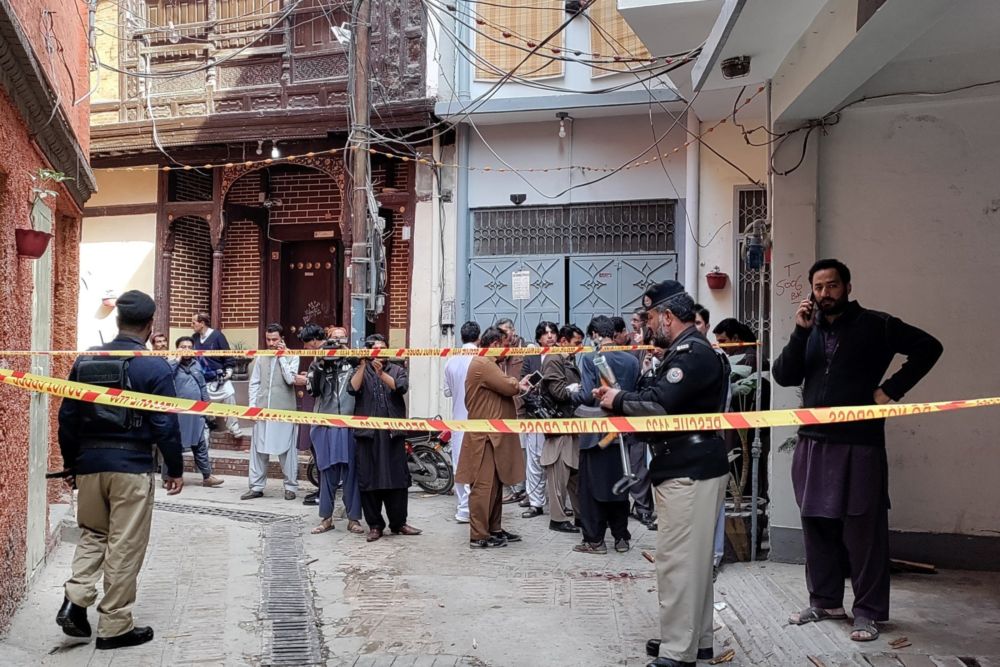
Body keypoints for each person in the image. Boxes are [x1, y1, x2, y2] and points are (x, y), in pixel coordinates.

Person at [774, 259, 942, 643]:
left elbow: (929, 347)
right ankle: (825, 601)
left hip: (859, 443)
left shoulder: (876, 325)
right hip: (813, 441)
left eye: (832, 286)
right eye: (818, 287)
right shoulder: (809, 330)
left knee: (863, 529)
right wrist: (800, 333)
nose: (824, 294)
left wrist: (891, 390)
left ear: (847, 286)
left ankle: (868, 612)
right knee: (816, 524)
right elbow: (783, 375)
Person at [596, 280, 731, 667]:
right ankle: (695, 641)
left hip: (689, 468)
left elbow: (659, 405)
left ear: (667, 316)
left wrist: (618, 399)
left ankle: (678, 652)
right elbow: (651, 397)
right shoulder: (683, 352)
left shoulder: (692, 355)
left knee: (677, 561)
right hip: (689, 465)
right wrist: (618, 399)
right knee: (694, 561)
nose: (646, 324)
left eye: (650, 316)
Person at [55, 290, 184, 650]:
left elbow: (67, 418)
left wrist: (71, 464)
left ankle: (75, 602)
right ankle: (114, 626)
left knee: (93, 535)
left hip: (90, 465)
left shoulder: (85, 361)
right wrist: (174, 468)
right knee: (125, 545)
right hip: (131, 467)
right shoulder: (154, 366)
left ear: (117, 321)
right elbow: (165, 425)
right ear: (149, 325)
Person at [457, 326, 531, 548]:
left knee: (496, 486)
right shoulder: (483, 363)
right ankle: (479, 535)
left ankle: (494, 528)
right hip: (484, 437)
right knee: (483, 486)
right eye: (506, 345)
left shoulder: (491, 364)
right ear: (496, 344)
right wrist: (519, 385)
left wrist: (517, 385)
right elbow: (508, 387)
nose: (508, 350)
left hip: (495, 436)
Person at [574, 316, 640, 554]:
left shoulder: (592, 359)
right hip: (621, 432)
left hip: (596, 433)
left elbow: (588, 396)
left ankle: (595, 540)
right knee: (619, 486)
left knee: (592, 490)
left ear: (594, 335)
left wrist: (571, 395)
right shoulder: (633, 360)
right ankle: (621, 537)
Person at [349, 334, 421, 542]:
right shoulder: (361, 371)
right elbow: (352, 389)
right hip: (368, 435)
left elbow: (401, 388)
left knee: (397, 479)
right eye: (376, 349)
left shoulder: (397, 370)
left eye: (384, 348)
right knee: (369, 480)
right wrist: (363, 365)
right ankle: (374, 525)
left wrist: (381, 374)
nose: (381, 353)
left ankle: (399, 523)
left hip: (392, 434)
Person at [302, 324, 364, 535]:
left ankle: (353, 518)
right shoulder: (318, 363)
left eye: (342, 339)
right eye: (333, 340)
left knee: (351, 473)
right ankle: (326, 518)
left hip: (348, 424)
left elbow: (359, 389)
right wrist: (319, 364)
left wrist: (357, 363)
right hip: (325, 424)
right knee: (327, 473)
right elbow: (313, 390)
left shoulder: (353, 363)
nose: (337, 344)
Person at [242, 324, 303, 500]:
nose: (271, 343)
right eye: (268, 339)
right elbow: (254, 383)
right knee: (258, 450)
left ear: (282, 338)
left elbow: (290, 379)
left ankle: (291, 486)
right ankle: (256, 486)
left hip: (283, 410)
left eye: (274, 339)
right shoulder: (261, 356)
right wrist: (253, 407)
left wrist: (282, 357)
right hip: (262, 409)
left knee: (287, 450)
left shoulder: (293, 355)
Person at [540, 324, 584, 535]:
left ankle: (581, 515)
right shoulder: (554, 358)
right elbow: (557, 391)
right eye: (577, 343)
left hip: (571, 423)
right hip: (559, 424)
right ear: (564, 341)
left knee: (574, 472)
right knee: (559, 471)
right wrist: (575, 390)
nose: (581, 347)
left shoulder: (566, 358)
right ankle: (557, 518)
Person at [163, 336, 223, 488]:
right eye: (183, 347)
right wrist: (176, 360)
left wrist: (207, 405)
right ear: (177, 349)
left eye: (189, 347)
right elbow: (166, 377)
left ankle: (207, 477)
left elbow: (202, 386)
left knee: (200, 445)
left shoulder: (197, 365)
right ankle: (167, 478)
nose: (186, 350)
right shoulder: (169, 364)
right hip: (178, 414)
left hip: (196, 414)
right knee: (174, 446)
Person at [518, 321, 557, 519]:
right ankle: (535, 503)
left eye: (552, 333)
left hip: (558, 415)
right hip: (535, 414)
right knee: (534, 459)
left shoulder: (563, 355)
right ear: (539, 338)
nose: (549, 336)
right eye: (545, 333)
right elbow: (523, 383)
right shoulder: (532, 357)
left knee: (557, 461)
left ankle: (559, 503)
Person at [443, 320, 480, 523]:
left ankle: (463, 507)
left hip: (458, 420)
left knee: (460, 463)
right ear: (479, 337)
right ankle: (475, 508)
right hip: (480, 420)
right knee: (477, 463)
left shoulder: (450, 361)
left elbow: (447, 391)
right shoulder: (482, 359)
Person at [191, 313, 242, 439]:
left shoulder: (218, 336)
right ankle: (208, 423)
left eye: (194, 322)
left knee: (229, 393)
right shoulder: (194, 338)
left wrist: (228, 371)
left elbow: (227, 355)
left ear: (202, 323)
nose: (191, 325)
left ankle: (233, 426)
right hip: (202, 379)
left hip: (219, 378)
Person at [495, 317, 527, 505]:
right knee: (506, 449)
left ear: (513, 331)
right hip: (503, 409)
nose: (503, 337)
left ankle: (523, 489)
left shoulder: (526, 349)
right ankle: (513, 486)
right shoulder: (499, 352)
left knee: (522, 450)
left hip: (521, 408)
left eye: (505, 333)